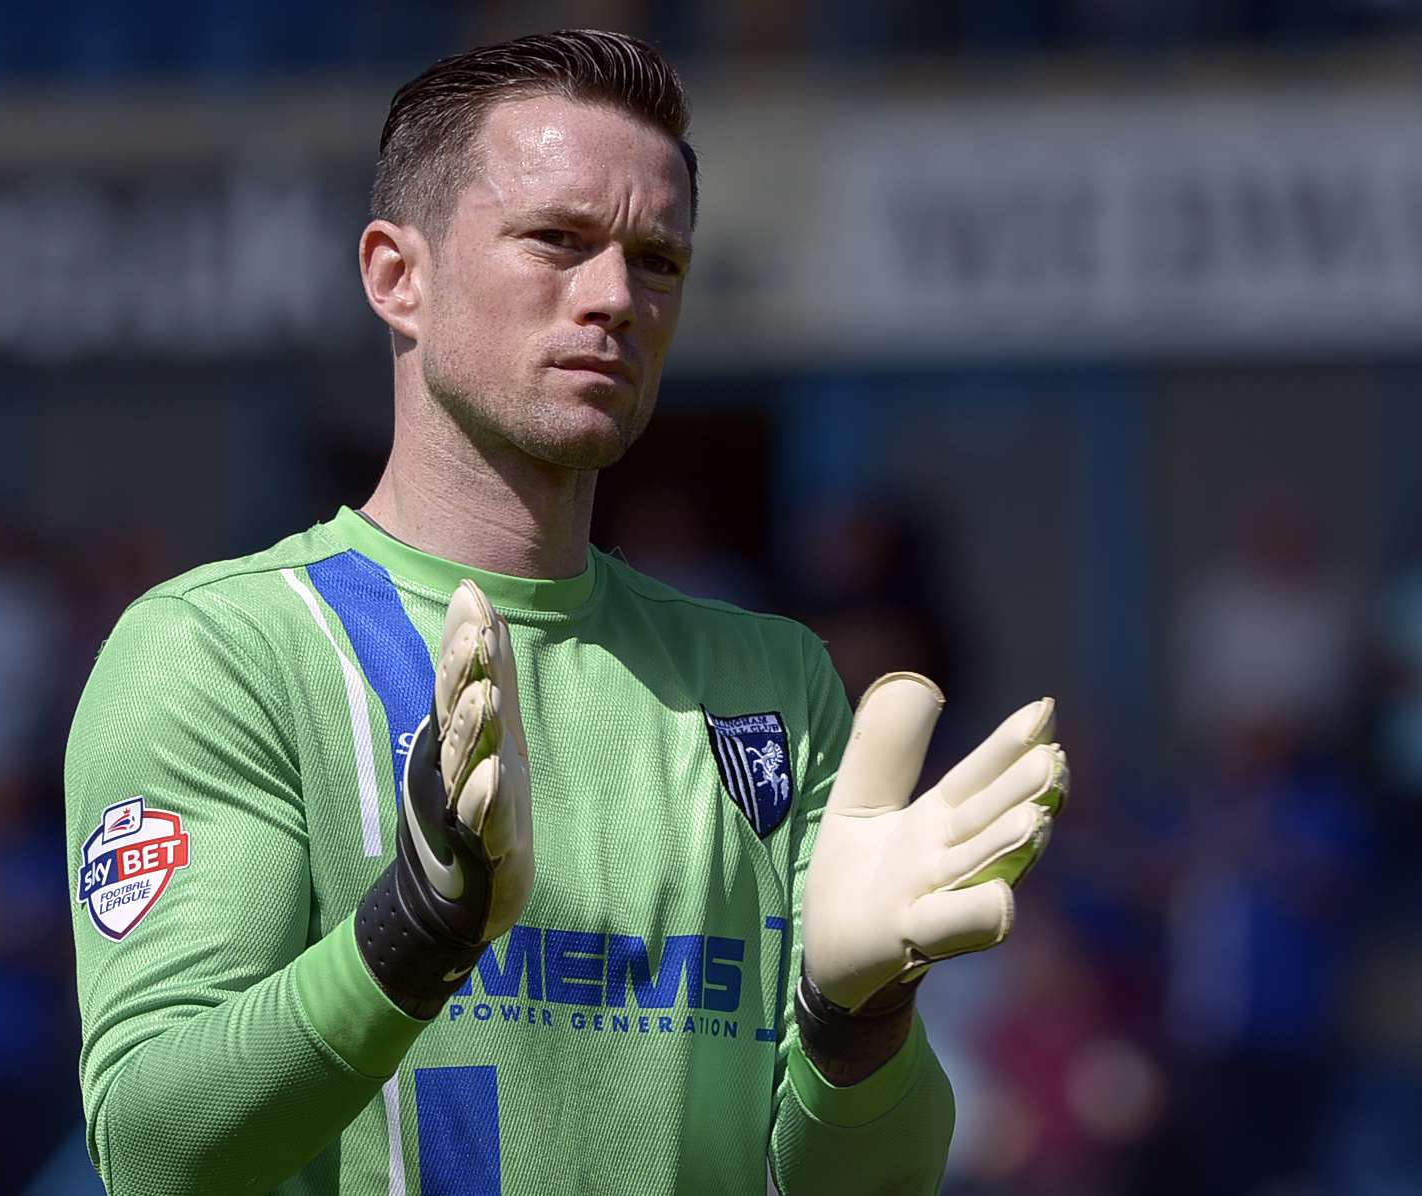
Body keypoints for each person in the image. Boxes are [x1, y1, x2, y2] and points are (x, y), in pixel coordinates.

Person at [66, 30, 1067, 1195]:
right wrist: (415, 928)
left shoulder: (770, 681)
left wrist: (861, 1021)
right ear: (400, 274)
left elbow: (863, 1186)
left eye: (658, 259)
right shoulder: (224, 650)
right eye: (557, 239)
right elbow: (154, 1148)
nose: (614, 297)